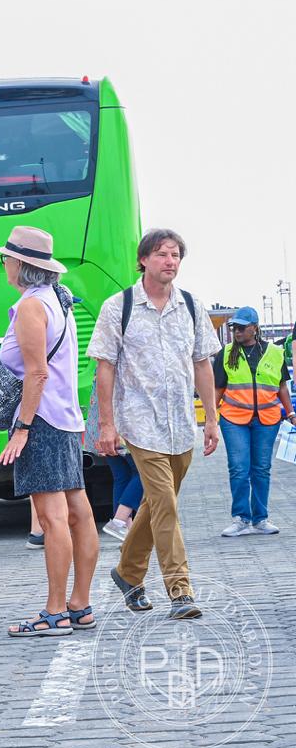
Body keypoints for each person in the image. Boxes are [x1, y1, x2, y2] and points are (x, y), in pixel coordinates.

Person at [88, 228, 221, 620]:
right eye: (163, 254)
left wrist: (211, 419)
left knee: (157, 504)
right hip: (140, 423)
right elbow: (105, 367)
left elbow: (202, 364)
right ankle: (181, 591)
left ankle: (127, 573)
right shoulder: (119, 306)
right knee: (165, 504)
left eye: (176, 255)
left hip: (180, 423)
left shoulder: (192, 306)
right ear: (144, 259)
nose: (170, 261)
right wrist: (107, 424)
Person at [0, 229, 98, 638]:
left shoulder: (31, 306)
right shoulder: (58, 298)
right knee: (79, 514)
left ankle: (54, 612)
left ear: (20, 265)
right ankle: (79, 605)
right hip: (65, 417)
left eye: (6, 258)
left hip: (42, 420)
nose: (4, 264)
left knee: (53, 519)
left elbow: (37, 373)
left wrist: (22, 428)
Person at [214, 306, 292, 537]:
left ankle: (260, 519)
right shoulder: (226, 353)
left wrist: (290, 413)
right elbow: (218, 388)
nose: (237, 331)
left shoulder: (275, 353)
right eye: (234, 328)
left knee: (261, 469)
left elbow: (281, 386)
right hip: (234, 418)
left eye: (241, 327)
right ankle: (241, 518)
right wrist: (210, 418)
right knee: (239, 468)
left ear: (255, 328)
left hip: (267, 419)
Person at [82, 372, 144, 541]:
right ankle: (119, 520)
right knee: (143, 473)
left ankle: (127, 530)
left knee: (121, 476)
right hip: (123, 425)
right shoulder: (122, 364)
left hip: (105, 427)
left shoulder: (101, 366)